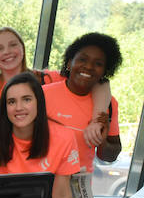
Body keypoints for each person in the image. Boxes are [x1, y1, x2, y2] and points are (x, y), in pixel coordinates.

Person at [0, 26, 108, 146]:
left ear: (23, 48)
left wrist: (97, 121)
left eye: (13, 45)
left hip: (36, 165)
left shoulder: (48, 80)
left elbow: (99, 83)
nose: (7, 51)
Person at [41, 32, 123, 173]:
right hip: (39, 182)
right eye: (82, 60)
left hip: (77, 189)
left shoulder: (108, 105)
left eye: (98, 64)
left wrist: (102, 141)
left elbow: (109, 156)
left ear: (105, 71)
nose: (89, 66)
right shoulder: (42, 94)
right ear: (69, 63)